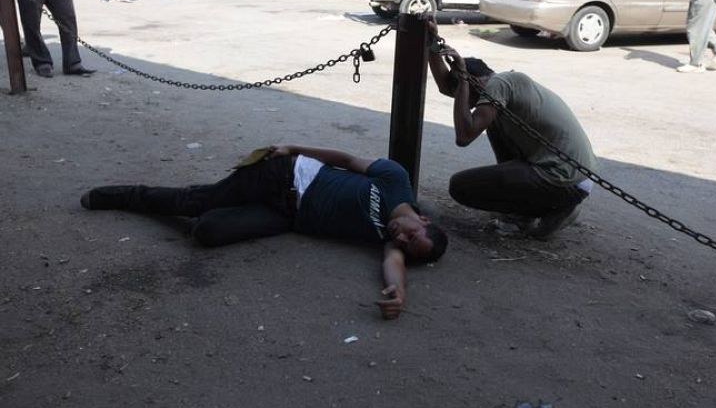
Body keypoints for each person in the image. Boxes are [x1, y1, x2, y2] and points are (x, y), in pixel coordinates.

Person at [80, 145, 448, 320]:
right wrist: (292, 148)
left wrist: (398, 292)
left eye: (406, 246)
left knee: (207, 231)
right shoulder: (395, 180)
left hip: (285, 217)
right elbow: (346, 160)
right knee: (193, 203)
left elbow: (394, 263)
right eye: (411, 236)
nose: (400, 239)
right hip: (285, 174)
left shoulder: (389, 240)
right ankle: (121, 196)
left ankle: (215, 199)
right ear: (424, 221)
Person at [428, 23, 598, 238]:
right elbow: (445, 87)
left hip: (564, 178)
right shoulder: (500, 93)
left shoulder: (499, 84)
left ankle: (554, 209)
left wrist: (462, 80)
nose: (466, 103)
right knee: (492, 128)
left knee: (460, 186)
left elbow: (464, 136)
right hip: (572, 178)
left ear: (476, 80)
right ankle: (533, 212)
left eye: (467, 93)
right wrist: (432, 44)